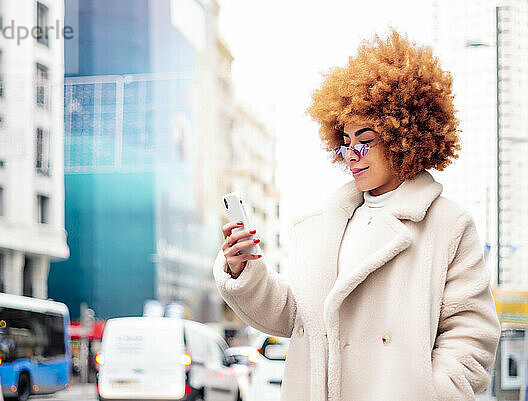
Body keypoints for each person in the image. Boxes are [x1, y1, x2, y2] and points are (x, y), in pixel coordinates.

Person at [213, 28, 501, 401]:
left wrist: (432, 391)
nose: (351, 155)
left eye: (364, 141)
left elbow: (471, 334)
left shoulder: (447, 225)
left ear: (405, 136)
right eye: (344, 143)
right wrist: (245, 270)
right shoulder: (322, 225)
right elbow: (293, 319)